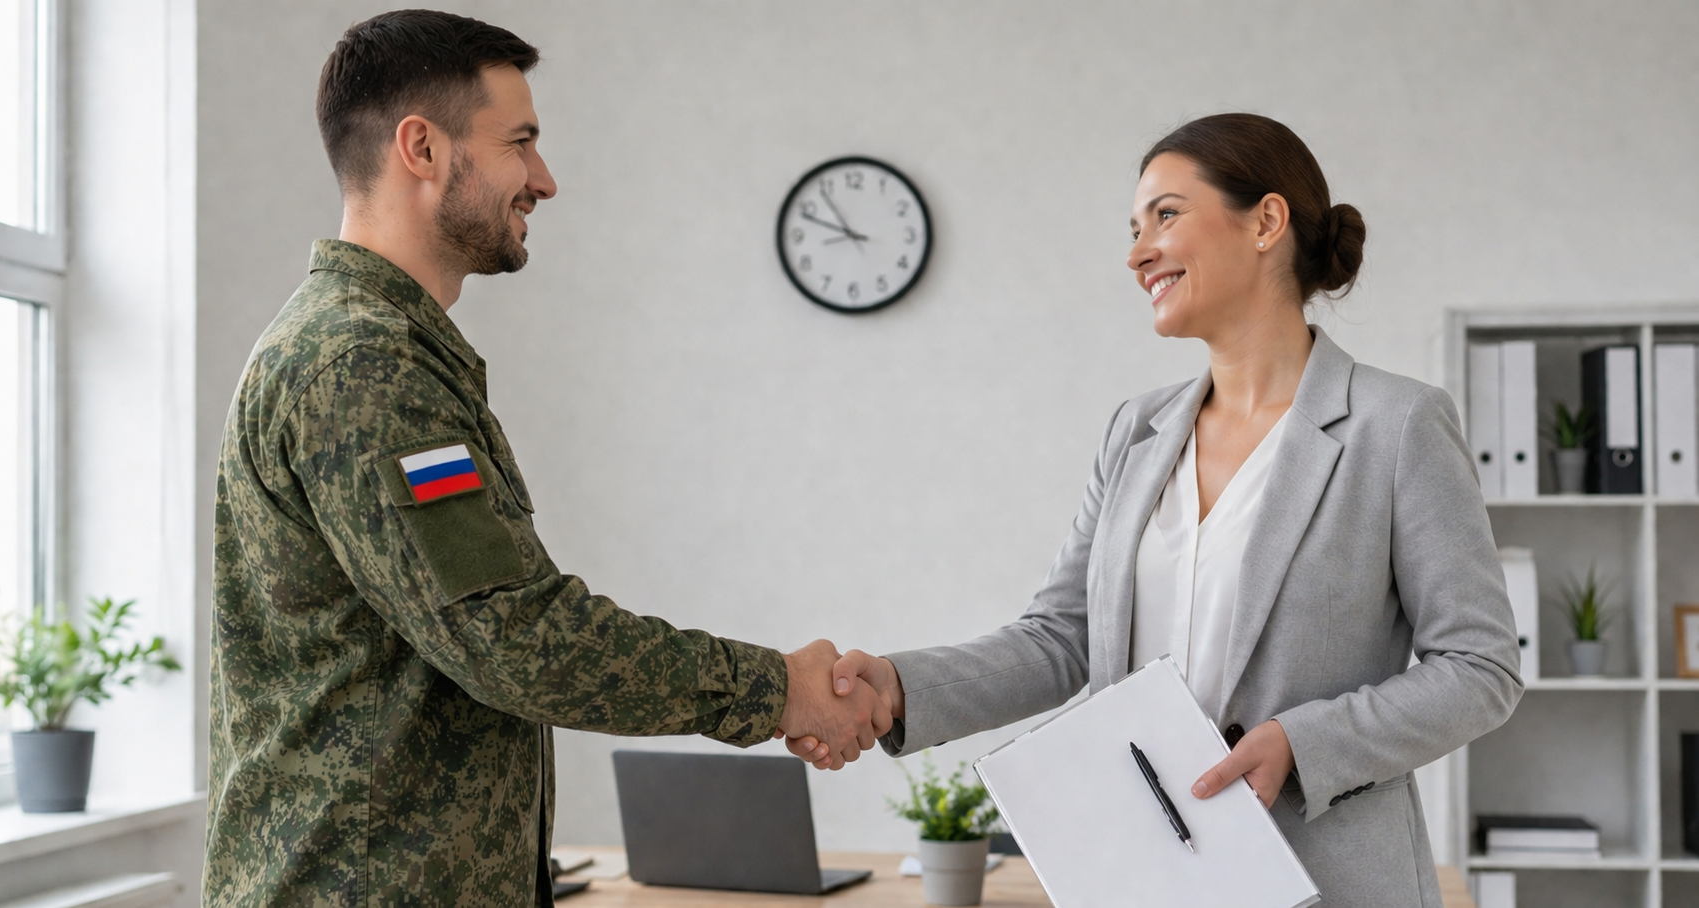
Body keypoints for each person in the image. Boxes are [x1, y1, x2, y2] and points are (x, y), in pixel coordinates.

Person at [205, 11, 891, 908]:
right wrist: (777, 689)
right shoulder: (363, 364)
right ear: (421, 147)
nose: (544, 180)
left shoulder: (381, 352)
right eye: (519, 142)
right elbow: (515, 636)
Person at [790, 113, 1524, 908]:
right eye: (1134, 229)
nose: (1138, 253)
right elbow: (1062, 637)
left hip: (1329, 881)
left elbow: (1479, 666)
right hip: (1144, 877)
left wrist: (1303, 743)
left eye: (1166, 215)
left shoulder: (1398, 424)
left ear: (1266, 222)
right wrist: (897, 687)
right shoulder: (1136, 431)